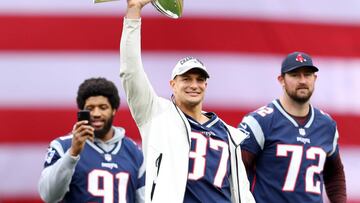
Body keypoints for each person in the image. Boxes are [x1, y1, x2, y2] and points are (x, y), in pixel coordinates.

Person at [119, 0, 255, 202]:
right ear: (172, 84)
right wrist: (133, 11)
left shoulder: (227, 132)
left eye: (200, 79)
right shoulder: (156, 114)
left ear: (206, 86)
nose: (194, 85)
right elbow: (131, 72)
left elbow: (241, 192)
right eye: (186, 79)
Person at [238, 52, 347, 203]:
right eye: (295, 75)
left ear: (315, 78)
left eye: (307, 74)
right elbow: (235, 171)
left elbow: (334, 174)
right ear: (281, 80)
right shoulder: (259, 121)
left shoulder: (326, 125)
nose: (302, 80)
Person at [38, 77, 145, 203]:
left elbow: (145, 199)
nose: (96, 113)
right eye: (90, 108)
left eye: (103, 107)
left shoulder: (134, 152)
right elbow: (48, 195)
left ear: (114, 110)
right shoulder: (62, 146)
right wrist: (72, 153)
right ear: (81, 111)